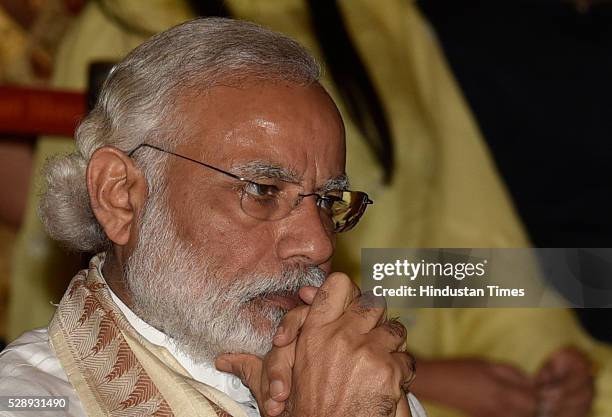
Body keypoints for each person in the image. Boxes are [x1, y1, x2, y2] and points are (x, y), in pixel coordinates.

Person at [0, 18, 426, 417]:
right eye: (262, 190)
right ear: (120, 196)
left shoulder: (362, 384)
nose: (318, 244)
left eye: (328, 199)